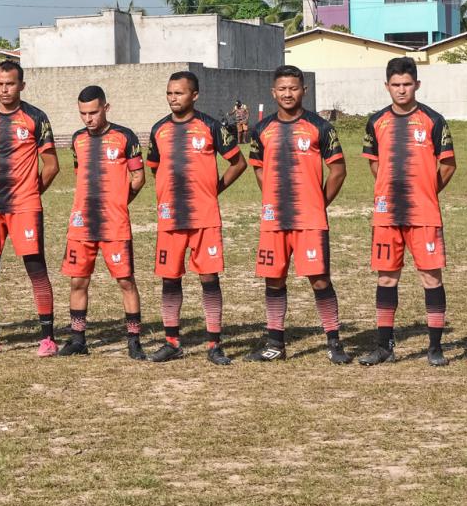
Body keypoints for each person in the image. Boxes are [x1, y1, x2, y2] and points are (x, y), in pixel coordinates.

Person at [247, 65, 348, 363]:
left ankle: (334, 342)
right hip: (274, 219)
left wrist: (319, 202)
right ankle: (275, 343)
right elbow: (258, 168)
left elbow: (338, 171)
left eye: (293, 88)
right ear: (273, 92)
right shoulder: (262, 129)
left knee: (319, 280)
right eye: (282, 88)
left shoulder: (320, 127)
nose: (288, 93)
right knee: (273, 279)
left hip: (310, 220)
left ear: (304, 90)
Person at [145, 72, 246, 365]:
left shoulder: (211, 126)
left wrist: (216, 188)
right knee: (170, 277)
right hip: (171, 219)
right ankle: (171, 341)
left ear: (195, 95)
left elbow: (237, 163)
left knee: (208, 277)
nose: (173, 98)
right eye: (169, 93)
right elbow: (155, 168)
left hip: (204, 217)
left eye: (179, 93)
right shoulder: (158, 130)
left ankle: (214, 344)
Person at [360, 58, 456, 366]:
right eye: (396, 85)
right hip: (387, 213)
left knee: (431, 277)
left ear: (417, 84)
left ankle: (435, 348)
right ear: (386, 86)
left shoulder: (433, 119)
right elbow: (374, 163)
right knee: (387, 278)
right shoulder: (376, 121)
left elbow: (449, 164)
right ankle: (385, 347)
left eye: (407, 84)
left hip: (423, 213)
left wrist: (426, 190)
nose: (401, 90)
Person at [0, 61, 60, 354]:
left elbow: (52, 165)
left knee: (35, 267)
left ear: (21, 85)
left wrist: (29, 191)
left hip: (25, 205)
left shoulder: (35, 117)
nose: (4, 89)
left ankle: (48, 338)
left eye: (10, 84)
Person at [62, 85, 146, 358]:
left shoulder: (125, 137)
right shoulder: (77, 140)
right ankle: (78, 340)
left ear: (106, 108)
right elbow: (79, 174)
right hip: (81, 224)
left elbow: (138, 178)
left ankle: (134, 341)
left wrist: (120, 203)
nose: (88, 119)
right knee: (78, 282)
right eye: (83, 113)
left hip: (114, 224)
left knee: (125, 281)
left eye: (93, 112)